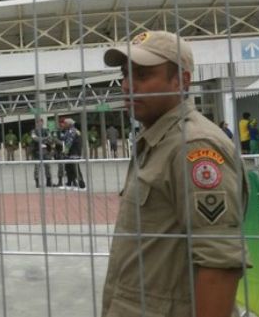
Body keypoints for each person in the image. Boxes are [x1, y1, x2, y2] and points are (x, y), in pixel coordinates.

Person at [102, 31, 248, 317]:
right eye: (125, 74)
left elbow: (219, 264)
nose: (128, 85)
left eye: (143, 75)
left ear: (181, 80)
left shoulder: (193, 146)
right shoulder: (158, 141)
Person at [61, 118, 83, 188]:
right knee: (69, 168)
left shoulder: (72, 131)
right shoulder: (70, 131)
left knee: (76, 169)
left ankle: (82, 185)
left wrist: (65, 152)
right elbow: (64, 138)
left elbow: (69, 143)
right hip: (72, 153)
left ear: (69, 124)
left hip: (74, 153)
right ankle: (69, 183)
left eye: (65, 123)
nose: (63, 125)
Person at [30, 118, 52, 187]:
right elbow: (35, 139)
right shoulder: (33, 131)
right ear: (36, 124)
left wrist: (41, 139)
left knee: (47, 167)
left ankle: (48, 181)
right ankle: (37, 182)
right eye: (38, 122)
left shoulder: (46, 130)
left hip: (46, 151)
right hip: (37, 152)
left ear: (43, 123)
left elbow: (50, 138)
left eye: (41, 122)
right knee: (37, 168)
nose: (40, 124)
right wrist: (45, 138)